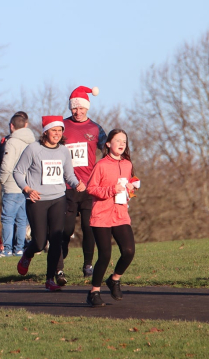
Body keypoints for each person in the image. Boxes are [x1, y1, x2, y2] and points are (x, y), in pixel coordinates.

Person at [13, 115, 86, 291]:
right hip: (37, 200)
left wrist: (77, 184)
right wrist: (27, 189)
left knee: (56, 239)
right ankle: (27, 255)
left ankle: (50, 278)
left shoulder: (63, 151)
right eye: (54, 130)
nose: (57, 134)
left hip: (58, 199)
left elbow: (69, 175)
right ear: (45, 132)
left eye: (60, 130)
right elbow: (17, 172)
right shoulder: (33, 149)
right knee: (39, 241)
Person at [85, 129, 138, 306]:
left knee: (129, 251)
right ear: (108, 144)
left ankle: (114, 279)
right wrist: (110, 190)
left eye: (124, 140)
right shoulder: (101, 165)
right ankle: (94, 292)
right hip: (101, 215)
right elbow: (91, 189)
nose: (122, 144)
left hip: (121, 214)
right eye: (117, 141)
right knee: (105, 255)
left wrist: (131, 189)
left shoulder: (127, 164)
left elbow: (127, 185)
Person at [61, 86, 107, 277]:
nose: (78, 112)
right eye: (74, 108)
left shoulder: (95, 128)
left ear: (87, 108)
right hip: (65, 186)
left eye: (81, 108)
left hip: (89, 186)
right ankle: (59, 266)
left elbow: (107, 152)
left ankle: (88, 265)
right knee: (66, 229)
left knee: (89, 228)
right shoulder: (61, 125)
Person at [0, 112, 34, 258]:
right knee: (22, 219)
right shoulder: (32, 142)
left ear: (12, 126)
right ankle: (20, 249)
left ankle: (6, 250)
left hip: (12, 185)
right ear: (25, 125)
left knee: (7, 218)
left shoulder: (11, 142)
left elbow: (6, 165)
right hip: (26, 186)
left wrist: (2, 179)